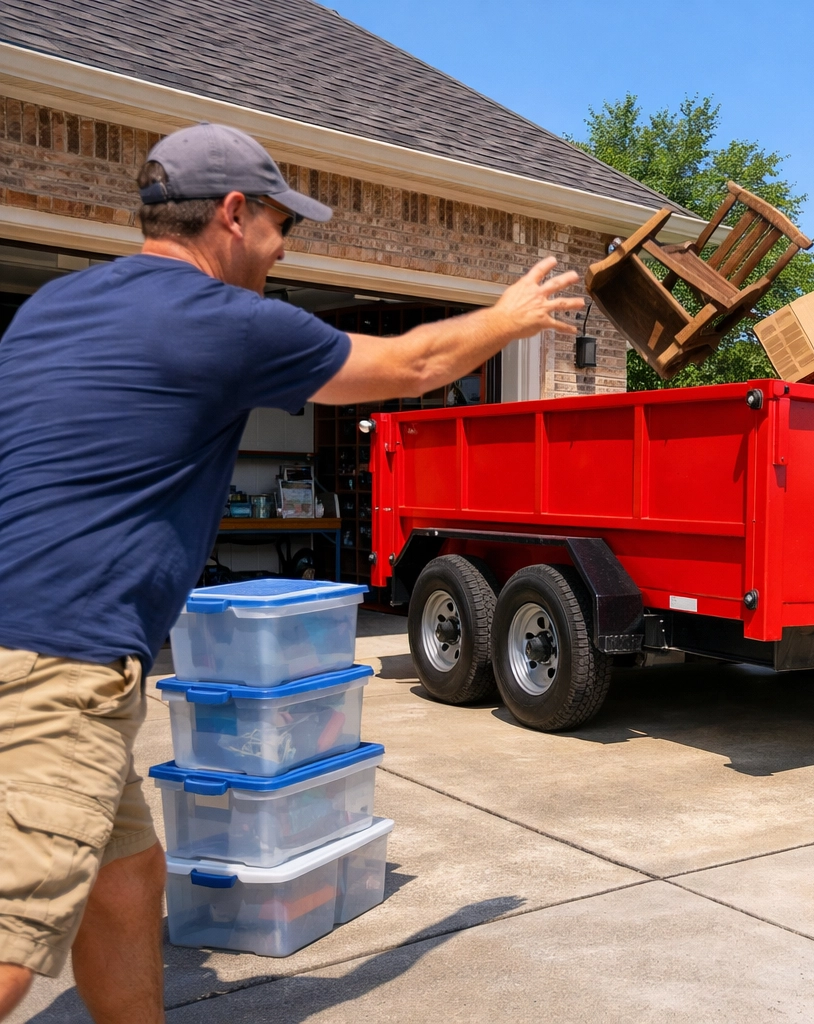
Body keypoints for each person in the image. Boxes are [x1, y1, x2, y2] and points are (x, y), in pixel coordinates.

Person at [0, 123, 582, 1022]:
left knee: (127, 879)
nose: (281, 249)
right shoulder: (222, 320)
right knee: (10, 944)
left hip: (55, 651)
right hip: (52, 662)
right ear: (233, 214)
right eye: (281, 225)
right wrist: (508, 319)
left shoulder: (52, 308)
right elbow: (412, 363)